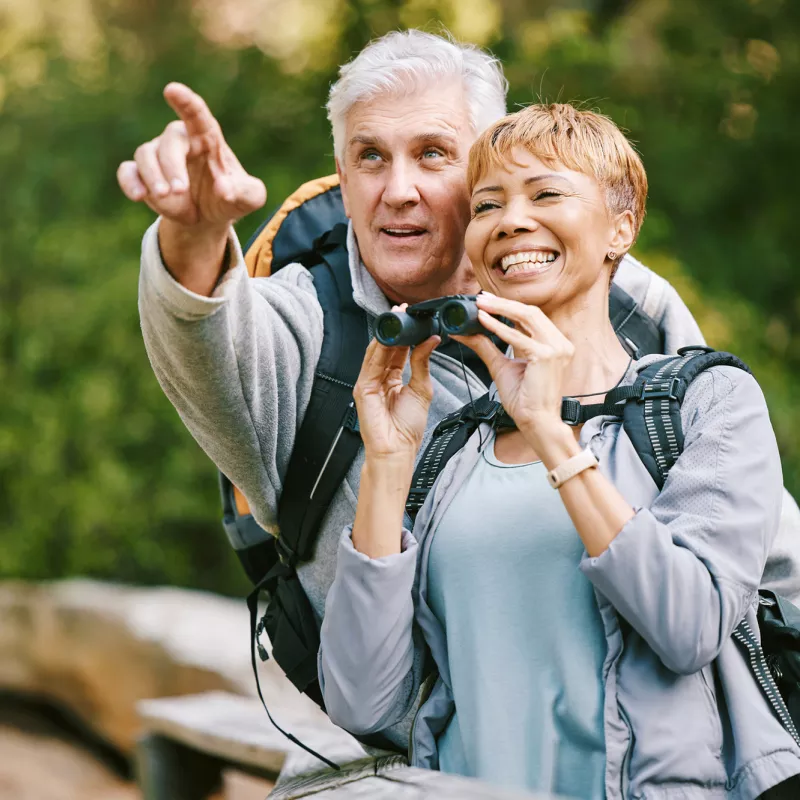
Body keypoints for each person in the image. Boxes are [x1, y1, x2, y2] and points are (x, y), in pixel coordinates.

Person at [118, 29, 800, 751]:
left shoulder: (626, 301)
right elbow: (205, 338)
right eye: (370, 157)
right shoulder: (303, 331)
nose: (398, 189)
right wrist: (193, 234)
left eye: (433, 154)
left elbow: (758, 542)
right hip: (444, 767)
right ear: (342, 178)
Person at [318, 103, 800, 799]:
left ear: (621, 227)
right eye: (487, 205)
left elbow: (689, 626)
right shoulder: (454, 450)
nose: (512, 220)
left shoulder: (707, 402)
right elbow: (362, 704)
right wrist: (388, 468)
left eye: (546, 193)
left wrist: (549, 432)